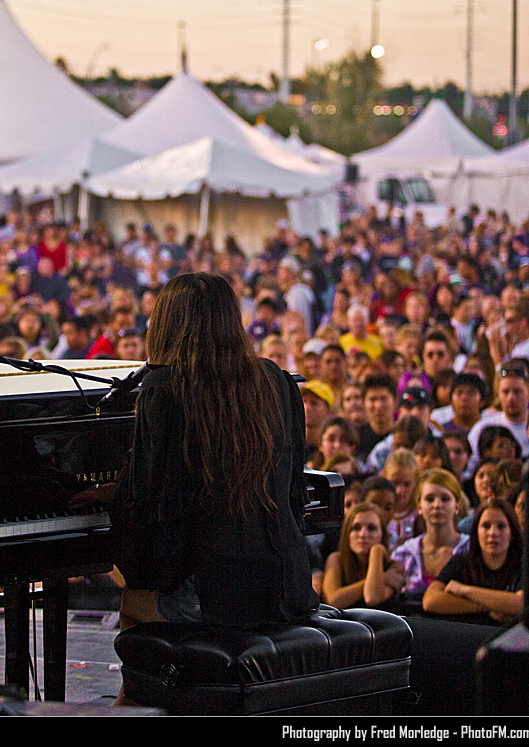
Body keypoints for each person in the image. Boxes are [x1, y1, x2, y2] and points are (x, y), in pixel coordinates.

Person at [109, 272, 318, 650]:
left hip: (216, 594)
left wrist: (132, 562)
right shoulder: (276, 379)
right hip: (287, 584)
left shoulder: (164, 387)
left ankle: (150, 696)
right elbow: (293, 491)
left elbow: (144, 500)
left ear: (168, 323)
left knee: (134, 604)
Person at [422, 498, 524, 624]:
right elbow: (430, 600)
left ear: (512, 533)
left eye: (501, 526)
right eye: (486, 526)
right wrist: (481, 607)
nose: (493, 533)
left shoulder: (523, 565)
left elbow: (520, 603)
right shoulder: (461, 562)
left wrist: (464, 590)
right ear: (476, 532)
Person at [391, 468, 470, 601]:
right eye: (430, 499)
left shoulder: (471, 549)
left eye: (445, 499)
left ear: (457, 505)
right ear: (419, 506)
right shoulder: (403, 554)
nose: (437, 505)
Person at [320, 502, 406, 609]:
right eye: (356, 528)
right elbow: (333, 601)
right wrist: (383, 578)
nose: (363, 534)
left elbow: (372, 598)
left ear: (382, 534)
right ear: (347, 533)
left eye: (371, 528)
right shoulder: (336, 560)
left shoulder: (395, 566)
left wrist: (377, 552)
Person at [356, 373, 398, 467]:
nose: (378, 406)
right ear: (363, 403)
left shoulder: (402, 435)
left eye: (383, 399)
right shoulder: (356, 438)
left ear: (395, 401)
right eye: (372, 400)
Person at [382, 448, 419, 548]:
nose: (399, 491)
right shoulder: (378, 514)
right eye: (394, 483)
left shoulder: (420, 514)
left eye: (406, 484)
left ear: (416, 483)